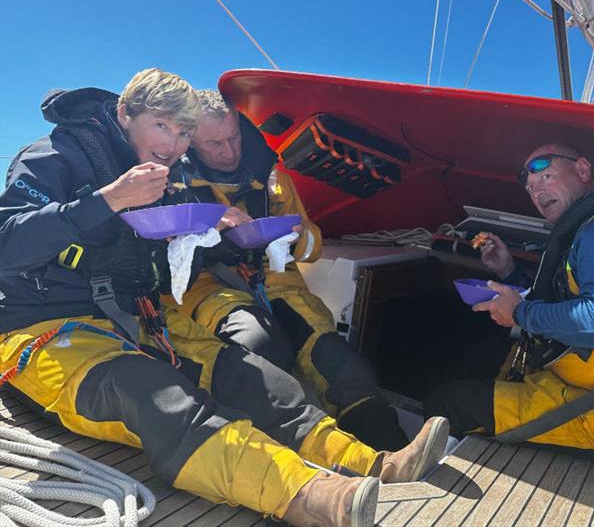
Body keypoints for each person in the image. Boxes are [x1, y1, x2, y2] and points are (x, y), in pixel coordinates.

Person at [0, 68, 449, 526]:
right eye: (162, 125)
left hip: (140, 316)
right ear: (125, 114)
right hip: (43, 330)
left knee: (249, 374)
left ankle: (371, 461)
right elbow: (6, 244)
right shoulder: (58, 156)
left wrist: (215, 238)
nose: (174, 145)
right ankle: (308, 495)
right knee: (155, 393)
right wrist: (109, 199)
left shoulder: (161, 179)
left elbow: (162, 264)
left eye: (182, 133)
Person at [167, 89, 409, 451]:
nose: (230, 152)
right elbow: (159, 262)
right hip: (206, 288)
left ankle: (389, 447)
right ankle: (284, 454)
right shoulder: (170, 184)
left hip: (274, 282)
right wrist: (207, 231)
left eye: (233, 138)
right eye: (214, 144)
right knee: (259, 345)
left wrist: (294, 235)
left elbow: (313, 248)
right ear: (189, 142)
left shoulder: (270, 175)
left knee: (335, 355)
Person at [425, 143, 594, 454]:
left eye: (546, 177)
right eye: (530, 188)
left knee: (445, 405)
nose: (537, 193)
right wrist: (508, 269)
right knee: (476, 355)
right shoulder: (585, 227)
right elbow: (558, 301)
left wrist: (520, 313)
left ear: (583, 170)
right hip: (574, 375)